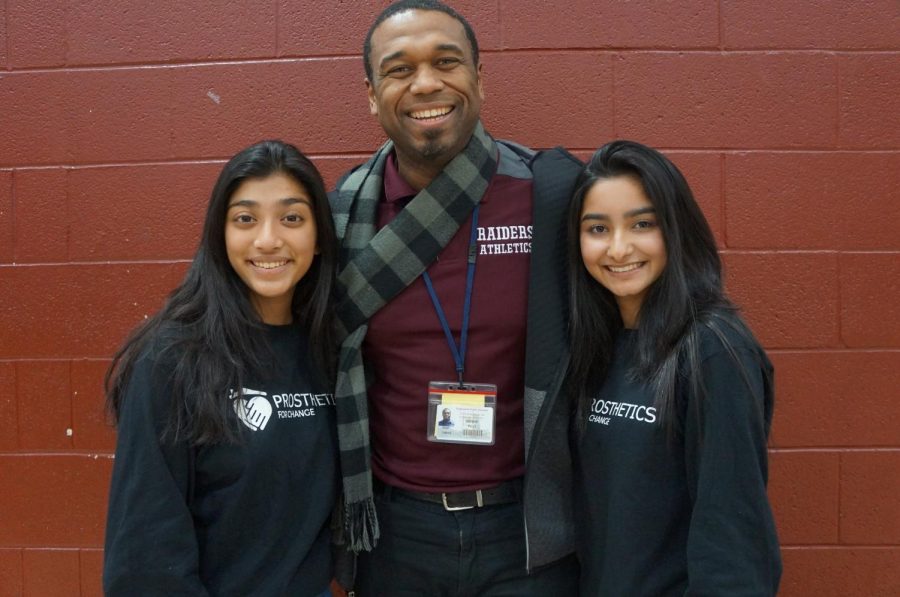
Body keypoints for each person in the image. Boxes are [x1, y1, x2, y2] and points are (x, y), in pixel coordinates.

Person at [329, 1, 582, 594]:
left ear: (479, 80)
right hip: (394, 535)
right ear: (370, 94)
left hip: (528, 531)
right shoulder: (339, 217)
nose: (426, 84)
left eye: (447, 62)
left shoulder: (549, 196)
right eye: (398, 70)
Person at [102, 140, 339, 597]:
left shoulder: (332, 353)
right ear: (220, 235)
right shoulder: (171, 360)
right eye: (245, 219)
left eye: (292, 218)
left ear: (319, 237)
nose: (268, 239)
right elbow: (143, 559)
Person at [566, 140, 782, 595]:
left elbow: (734, 535)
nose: (619, 248)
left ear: (675, 227)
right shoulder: (593, 349)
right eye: (598, 229)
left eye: (643, 224)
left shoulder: (713, 350)